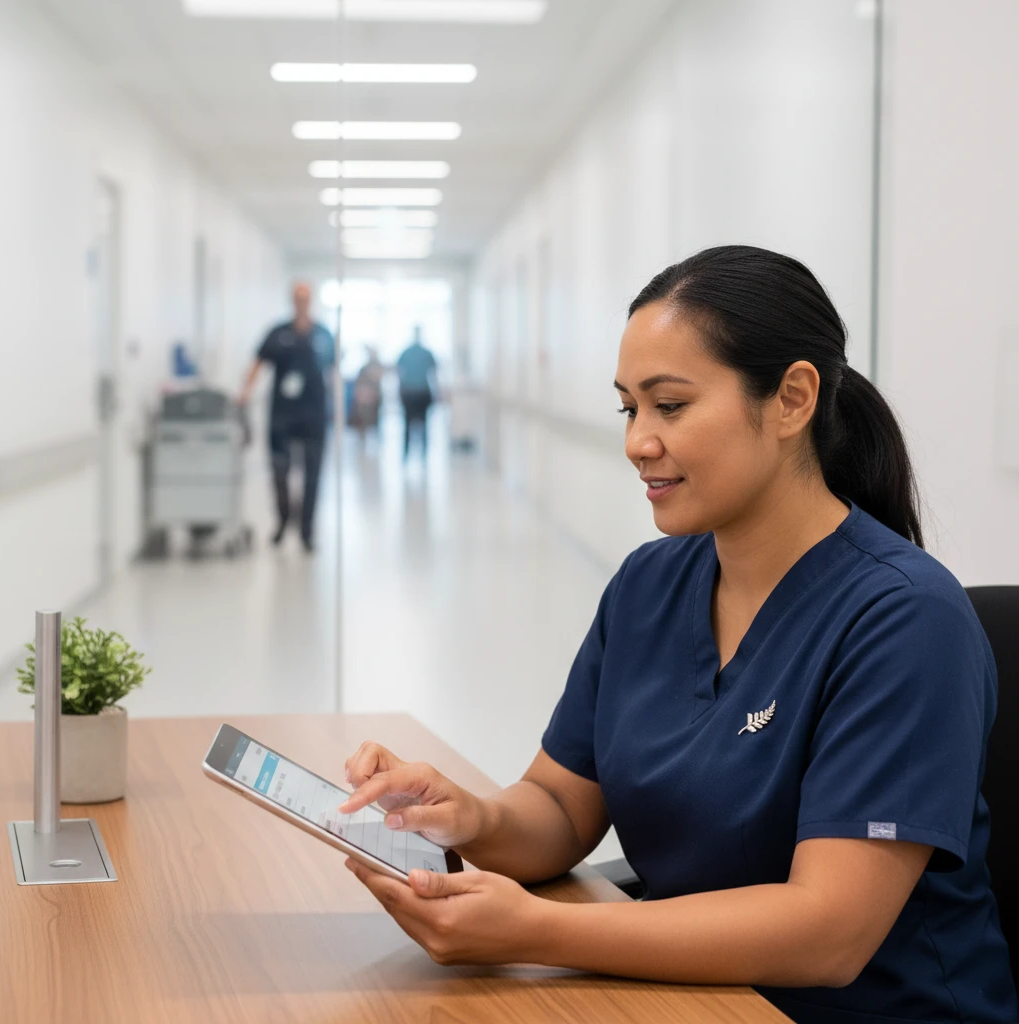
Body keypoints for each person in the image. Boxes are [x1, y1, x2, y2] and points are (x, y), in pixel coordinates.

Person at [336, 246, 1017, 1024]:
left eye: (670, 406)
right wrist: (468, 818)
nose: (637, 441)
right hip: (681, 999)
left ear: (793, 399)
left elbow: (830, 932)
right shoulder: (647, 586)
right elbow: (560, 809)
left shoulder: (904, 618)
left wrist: (539, 929)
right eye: (629, 408)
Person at [239, 282, 334, 553]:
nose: (301, 302)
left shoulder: (323, 335)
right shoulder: (278, 333)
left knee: (313, 475)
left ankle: (306, 531)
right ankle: (283, 520)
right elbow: (257, 363)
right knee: (280, 470)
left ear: (311, 300)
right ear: (292, 300)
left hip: (314, 414)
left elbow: (334, 372)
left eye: (306, 297)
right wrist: (244, 393)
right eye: (297, 297)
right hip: (282, 415)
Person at [396, 327, 438, 459]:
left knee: (413, 426)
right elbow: (434, 374)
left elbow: (399, 373)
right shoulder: (425, 353)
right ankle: (415, 455)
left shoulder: (407, 353)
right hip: (418, 392)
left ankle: (411, 455)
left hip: (413, 393)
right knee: (420, 425)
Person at [350, 347, 385, 442]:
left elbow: (379, 381)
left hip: (375, 400)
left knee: (375, 425)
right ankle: (362, 444)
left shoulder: (379, 366)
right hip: (364, 402)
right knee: (362, 424)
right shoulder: (363, 369)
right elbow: (358, 386)